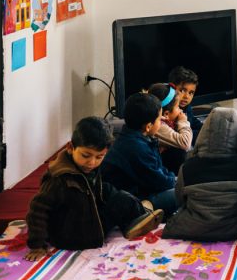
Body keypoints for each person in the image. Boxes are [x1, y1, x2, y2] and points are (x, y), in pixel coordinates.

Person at [25, 117, 163, 260]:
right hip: (75, 236)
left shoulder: (86, 168)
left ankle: (139, 214)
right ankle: (138, 216)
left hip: (85, 219)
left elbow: (97, 190)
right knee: (121, 201)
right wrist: (37, 246)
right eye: (86, 155)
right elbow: (37, 211)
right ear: (70, 148)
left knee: (112, 191)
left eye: (99, 157)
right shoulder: (58, 178)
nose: (91, 162)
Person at [162, 107, 237, 241]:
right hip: (234, 229)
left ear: (204, 133)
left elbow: (180, 200)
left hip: (192, 228)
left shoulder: (188, 167)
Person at [101, 92, 178, 215]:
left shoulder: (134, 137)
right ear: (148, 126)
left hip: (139, 190)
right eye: (159, 119)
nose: (163, 119)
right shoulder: (136, 148)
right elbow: (159, 182)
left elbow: (159, 170)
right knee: (183, 192)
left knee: (179, 185)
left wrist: (172, 178)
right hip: (130, 203)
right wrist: (175, 181)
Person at [148, 82, 192, 173]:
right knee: (180, 152)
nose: (180, 110)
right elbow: (185, 143)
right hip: (162, 167)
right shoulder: (159, 126)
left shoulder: (166, 121)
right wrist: (183, 121)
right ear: (166, 114)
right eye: (177, 106)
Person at [168, 65, 202, 143]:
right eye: (182, 90)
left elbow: (192, 121)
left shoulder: (187, 107)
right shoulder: (168, 112)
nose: (186, 96)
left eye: (191, 93)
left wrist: (205, 128)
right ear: (172, 88)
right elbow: (179, 136)